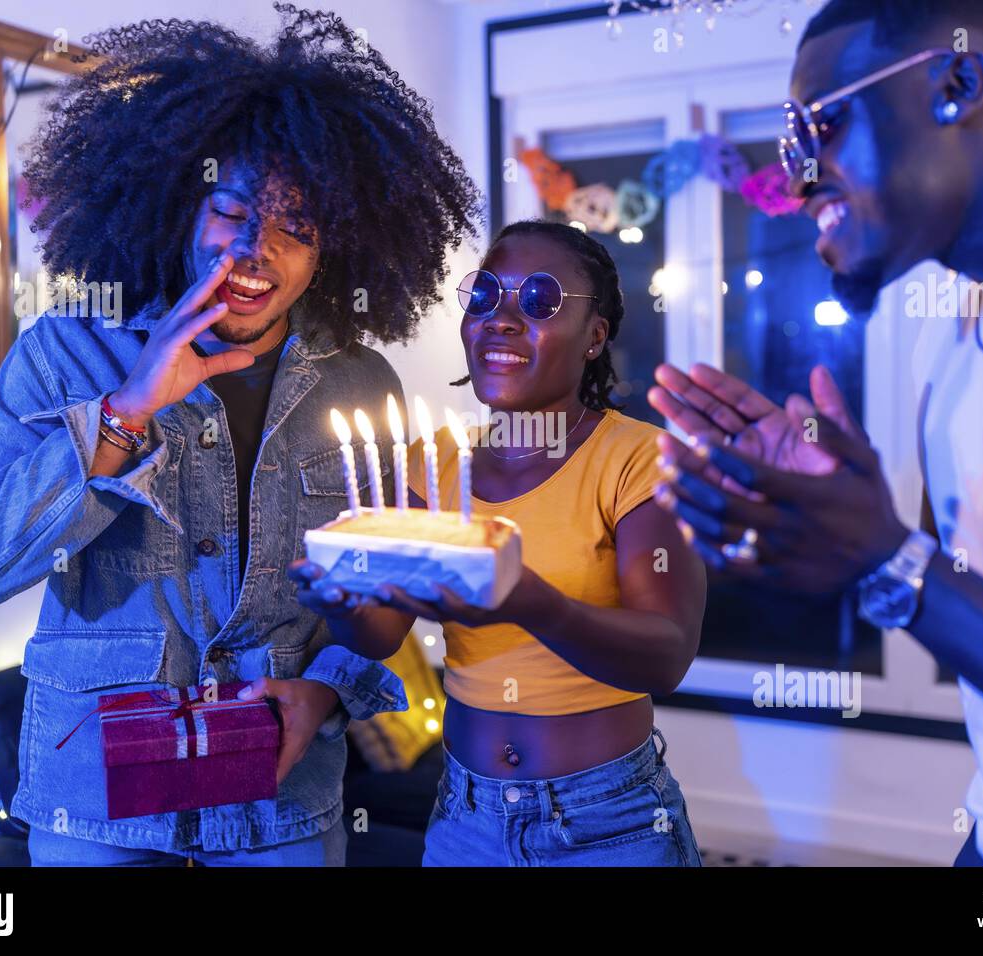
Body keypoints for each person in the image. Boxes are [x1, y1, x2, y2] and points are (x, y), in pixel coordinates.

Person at [0, 9, 482, 866]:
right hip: (98, 809)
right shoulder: (64, 355)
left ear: (331, 249)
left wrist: (325, 692)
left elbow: (373, 592)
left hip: (281, 810)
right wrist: (127, 410)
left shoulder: (359, 384)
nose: (257, 251)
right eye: (232, 211)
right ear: (182, 207)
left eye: (297, 227)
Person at [649, 0, 983, 865]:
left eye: (817, 128)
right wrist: (843, 528)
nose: (799, 180)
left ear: (958, 81)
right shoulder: (953, 324)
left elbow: (918, 580)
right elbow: (976, 612)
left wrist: (891, 565)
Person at [292, 221, 707, 866]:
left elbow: (667, 658)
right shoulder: (435, 462)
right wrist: (342, 602)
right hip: (466, 818)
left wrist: (529, 602)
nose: (501, 319)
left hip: (606, 824)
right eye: (484, 296)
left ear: (595, 335)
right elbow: (381, 636)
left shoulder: (641, 460)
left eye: (539, 300)